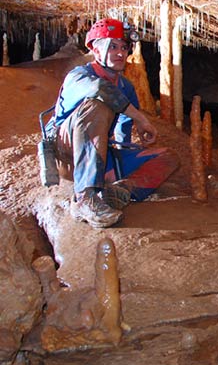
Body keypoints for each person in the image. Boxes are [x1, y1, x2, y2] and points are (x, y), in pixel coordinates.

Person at [46, 18, 179, 228]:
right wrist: (141, 118)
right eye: (113, 46)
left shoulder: (125, 86)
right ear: (97, 52)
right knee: (98, 106)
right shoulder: (79, 76)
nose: (120, 53)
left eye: (124, 47)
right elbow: (101, 90)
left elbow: (123, 129)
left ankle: (119, 191)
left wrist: (114, 161)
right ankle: (84, 198)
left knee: (168, 157)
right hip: (67, 155)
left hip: (101, 155)